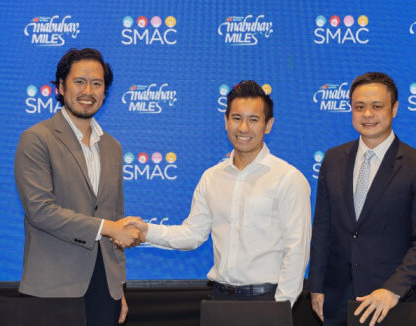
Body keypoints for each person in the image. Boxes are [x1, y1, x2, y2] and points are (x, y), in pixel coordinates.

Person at [127, 80, 311, 305]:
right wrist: (147, 230)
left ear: (268, 125)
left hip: (267, 300)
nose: (243, 128)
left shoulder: (288, 178)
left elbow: (297, 250)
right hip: (219, 299)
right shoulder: (211, 177)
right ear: (226, 121)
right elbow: (193, 234)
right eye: (237, 118)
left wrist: (281, 307)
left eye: (253, 119)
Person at [309, 72, 416, 326]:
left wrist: (393, 290)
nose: (367, 114)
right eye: (359, 107)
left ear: (394, 108)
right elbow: (322, 227)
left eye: (377, 106)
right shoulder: (333, 159)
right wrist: (317, 286)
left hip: (390, 304)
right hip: (337, 301)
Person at [15, 47, 140, 326]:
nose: (88, 91)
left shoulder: (112, 147)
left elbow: (116, 217)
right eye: (79, 82)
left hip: (104, 290)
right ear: (60, 87)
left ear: (105, 92)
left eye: (96, 83)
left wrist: (118, 287)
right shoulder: (36, 139)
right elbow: (40, 211)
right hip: (54, 288)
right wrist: (107, 227)